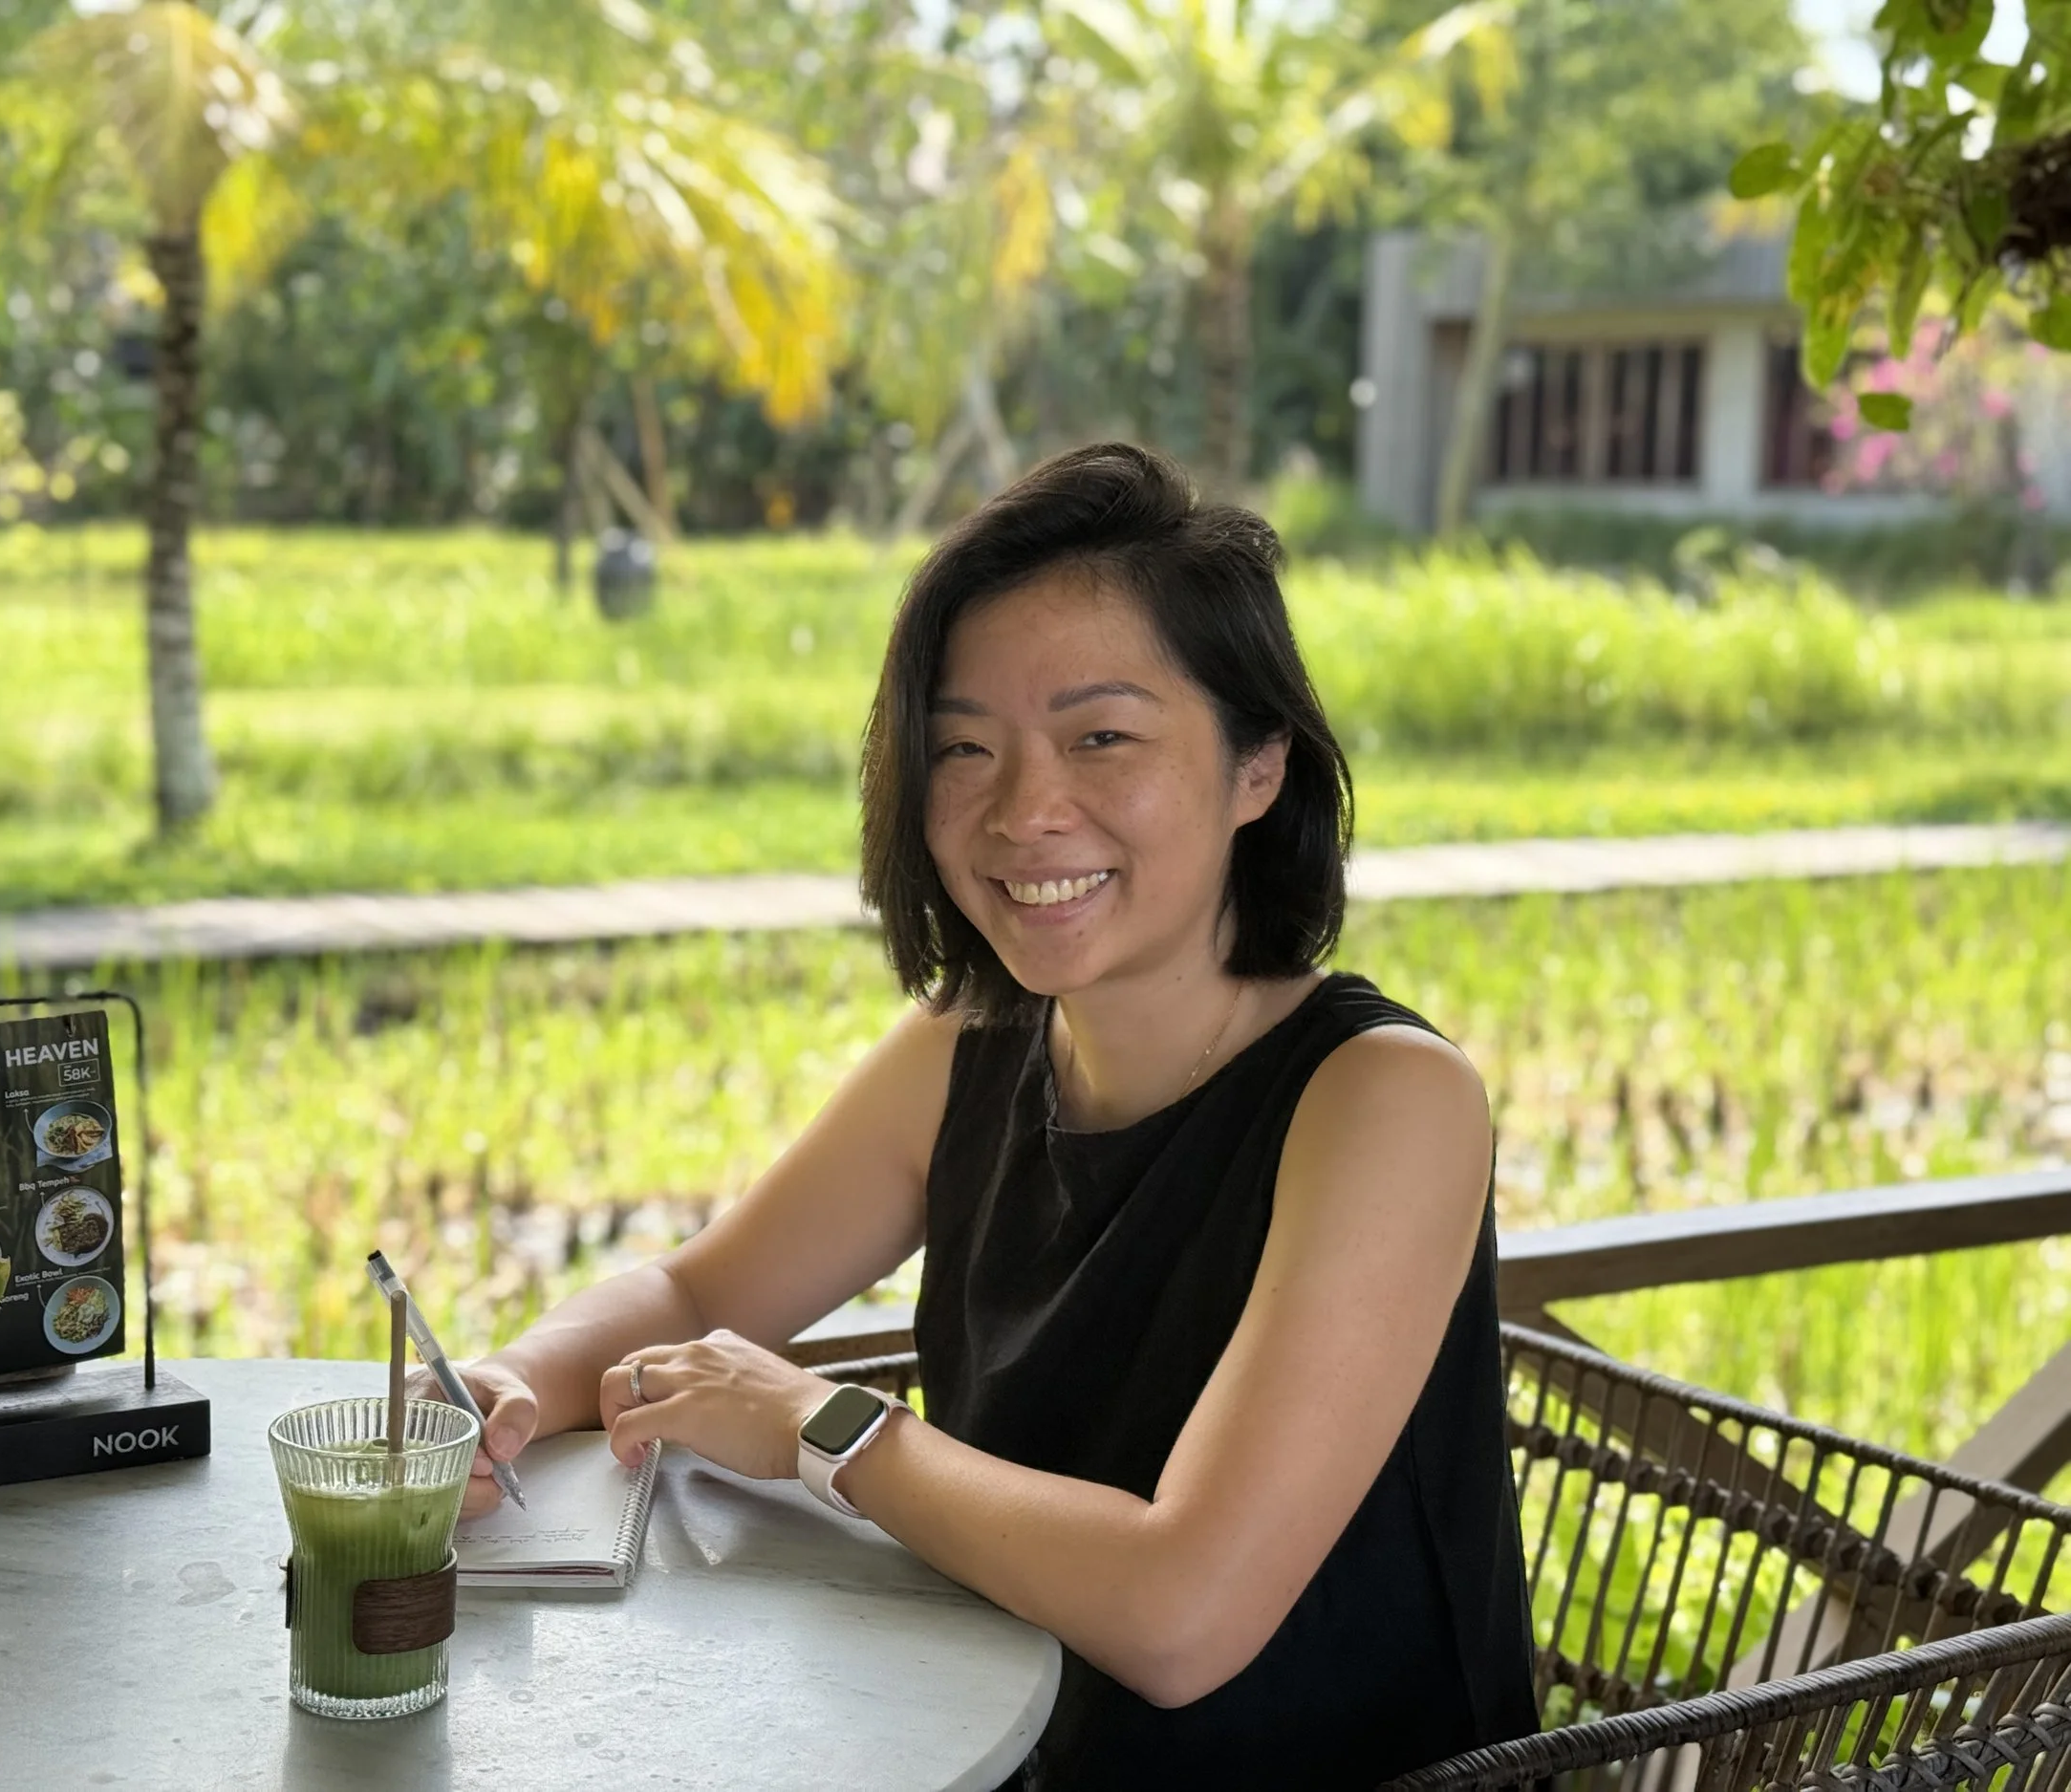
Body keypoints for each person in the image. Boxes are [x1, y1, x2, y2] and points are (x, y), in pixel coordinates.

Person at [414, 443, 1542, 1787]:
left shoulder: (1386, 1097)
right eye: (964, 747)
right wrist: (512, 1383)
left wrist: (825, 1429)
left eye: (1101, 737)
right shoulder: (973, 1044)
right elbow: (701, 1288)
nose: (1024, 809)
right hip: (989, 1747)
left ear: (1259, 767)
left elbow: (1183, 1612)